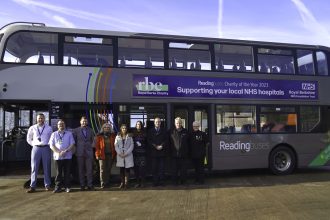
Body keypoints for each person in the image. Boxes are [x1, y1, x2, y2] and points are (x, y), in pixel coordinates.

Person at [26, 113, 53, 193]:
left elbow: (51, 139)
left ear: (44, 119)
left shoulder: (49, 128)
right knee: (34, 167)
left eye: (42, 118)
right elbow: (28, 138)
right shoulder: (32, 128)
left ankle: (47, 185)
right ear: (36, 119)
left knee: (47, 167)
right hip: (36, 149)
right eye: (39, 118)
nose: (40, 119)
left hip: (46, 148)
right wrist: (34, 145)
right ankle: (32, 186)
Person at [49, 119, 75, 193]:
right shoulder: (54, 134)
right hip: (57, 157)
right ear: (57, 126)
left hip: (68, 156)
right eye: (60, 124)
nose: (61, 125)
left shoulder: (69, 134)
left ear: (65, 125)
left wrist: (65, 151)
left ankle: (67, 187)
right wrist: (59, 152)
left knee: (67, 172)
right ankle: (58, 187)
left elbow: (72, 144)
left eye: (62, 124)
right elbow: (51, 145)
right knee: (58, 173)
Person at [73, 116, 95, 191]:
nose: (84, 122)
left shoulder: (91, 130)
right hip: (79, 152)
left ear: (87, 122)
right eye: (83, 121)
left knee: (89, 170)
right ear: (80, 122)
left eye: (85, 121)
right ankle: (82, 185)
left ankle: (90, 185)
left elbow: (94, 140)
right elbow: (73, 141)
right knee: (81, 170)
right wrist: (75, 149)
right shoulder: (75, 130)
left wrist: (92, 146)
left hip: (89, 153)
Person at [94, 123, 116, 189]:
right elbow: (96, 147)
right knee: (102, 170)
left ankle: (107, 182)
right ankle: (102, 184)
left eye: (108, 127)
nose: (107, 128)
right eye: (105, 127)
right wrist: (97, 154)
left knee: (108, 169)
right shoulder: (99, 136)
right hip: (101, 155)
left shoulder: (113, 136)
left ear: (110, 129)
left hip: (110, 155)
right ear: (103, 129)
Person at [147, 117, 168, 186]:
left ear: (160, 123)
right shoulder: (150, 131)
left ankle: (162, 182)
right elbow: (149, 141)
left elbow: (166, 140)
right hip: (153, 153)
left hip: (162, 152)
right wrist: (155, 146)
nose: (158, 123)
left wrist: (162, 146)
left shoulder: (164, 130)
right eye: (156, 122)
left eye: (159, 122)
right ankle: (155, 182)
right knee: (154, 168)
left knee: (161, 168)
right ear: (154, 123)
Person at [169, 117, 189, 185]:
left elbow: (189, 142)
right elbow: (168, 142)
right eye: (177, 123)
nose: (178, 124)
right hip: (174, 154)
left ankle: (183, 182)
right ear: (175, 123)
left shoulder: (185, 131)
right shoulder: (171, 131)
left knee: (183, 170)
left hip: (183, 154)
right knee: (174, 170)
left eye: (180, 123)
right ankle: (174, 182)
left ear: (181, 123)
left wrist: (187, 152)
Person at [115, 124, 134, 189]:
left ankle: (126, 184)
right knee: (121, 170)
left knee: (127, 170)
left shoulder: (130, 136)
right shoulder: (117, 136)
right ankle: (122, 183)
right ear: (121, 129)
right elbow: (116, 145)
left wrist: (126, 153)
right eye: (123, 128)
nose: (124, 129)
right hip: (120, 155)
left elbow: (132, 145)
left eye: (125, 128)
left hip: (127, 155)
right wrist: (119, 153)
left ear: (127, 129)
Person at [132, 121, 147, 188]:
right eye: (137, 124)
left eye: (140, 124)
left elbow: (147, 143)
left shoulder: (145, 133)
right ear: (136, 125)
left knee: (142, 169)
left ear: (141, 125)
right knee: (136, 169)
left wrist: (142, 144)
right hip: (135, 153)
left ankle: (143, 182)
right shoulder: (133, 133)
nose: (138, 125)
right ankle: (137, 182)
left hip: (143, 153)